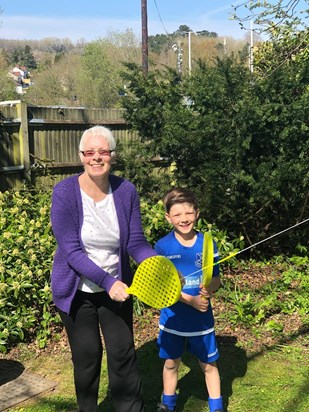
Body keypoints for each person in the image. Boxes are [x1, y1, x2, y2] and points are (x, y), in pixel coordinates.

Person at [50, 125, 157, 412]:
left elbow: (135, 241)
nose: (96, 158)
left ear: (112, 155)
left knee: (123, 354)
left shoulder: (126, 191)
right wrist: (108, 282)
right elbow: (71, 251)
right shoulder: (64, 193)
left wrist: (154, 263)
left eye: (103, 152)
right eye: (90, 152)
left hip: (117, 288)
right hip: (77, 290)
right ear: (81, 156)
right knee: (87, 357)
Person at [154, 188, 223, 412]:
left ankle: (217, 407)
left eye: (188, 213)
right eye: (177, 215)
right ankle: (168, 404)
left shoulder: (207, 243)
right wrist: (190, 301)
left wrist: (209, 290)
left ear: (197, 213)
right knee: (171, 363)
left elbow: (217, 279)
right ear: (168, 218)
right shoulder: (162, 247)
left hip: (201, 321)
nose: (184, 219)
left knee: (209, 365)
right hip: (173, 319)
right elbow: (163, 286)